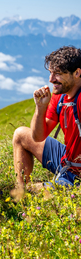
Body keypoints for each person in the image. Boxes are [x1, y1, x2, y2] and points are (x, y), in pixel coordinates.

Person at [13, 46, 81, 187]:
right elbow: (37, 137)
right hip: (67, 159)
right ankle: (20, 190)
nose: (51, 79)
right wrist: (41, 107)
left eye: (57, 74)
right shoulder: (60, 97)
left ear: (77, 73)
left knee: (38, 192)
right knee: (20, 134)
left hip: (77, 171)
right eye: (50, 73)